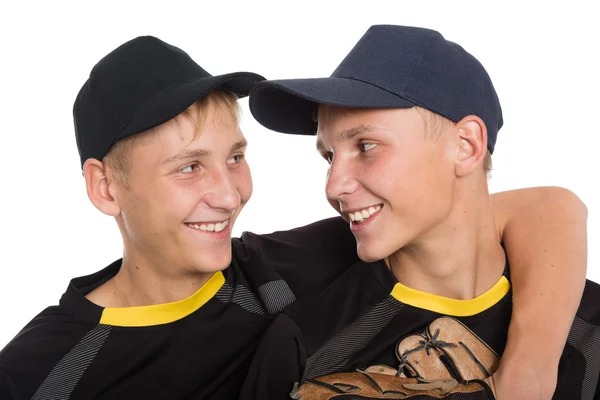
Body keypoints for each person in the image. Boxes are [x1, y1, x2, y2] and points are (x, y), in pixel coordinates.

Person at [0, 34, 589, 400]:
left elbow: (532, 208)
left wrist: (532, 362)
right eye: (187, 168)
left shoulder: (286, 268)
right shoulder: (33, 372)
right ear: (106, 187)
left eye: (235, 157)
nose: (229, 195)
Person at [242, 24, 598, 399]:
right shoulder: (305, 346)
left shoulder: (589, 331)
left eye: (365, 146)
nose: (333, 186)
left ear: (466, 145)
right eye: (329, 156)